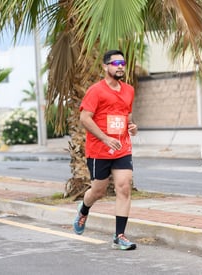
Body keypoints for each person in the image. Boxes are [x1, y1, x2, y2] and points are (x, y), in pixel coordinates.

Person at [73, 49, 138, 250]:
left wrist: (131, 127)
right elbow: (85, 118)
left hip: (122, 148)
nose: (120, 67)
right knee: (98, 191)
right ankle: (84, 209)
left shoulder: (129, 90)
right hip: (99, 150)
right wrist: (105, 138)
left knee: (124, 187)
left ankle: (120, 235)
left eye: (123, 63)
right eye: (115, 63)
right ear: (105, 66)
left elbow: (126, 116)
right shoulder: (96, 90)